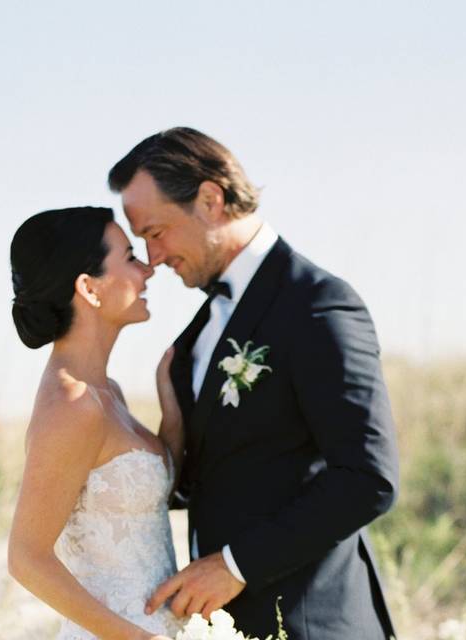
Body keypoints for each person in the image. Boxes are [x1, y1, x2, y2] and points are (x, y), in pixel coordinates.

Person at [108, 128, 400, 640]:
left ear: (210, 199)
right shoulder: (191, 343)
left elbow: (367, 478)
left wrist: (235, 565)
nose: (152, 257)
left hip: (316, 624)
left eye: (156, 231)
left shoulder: (316, 305)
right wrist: (173, 429)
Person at [6, 206, 186, 640]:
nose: (148, 270)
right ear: (88, 287)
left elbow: (148, 501)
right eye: (129, 257)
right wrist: (138, 638)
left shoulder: (109, 393)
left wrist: (173, 409)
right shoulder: (71, 405)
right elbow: (26, 557)